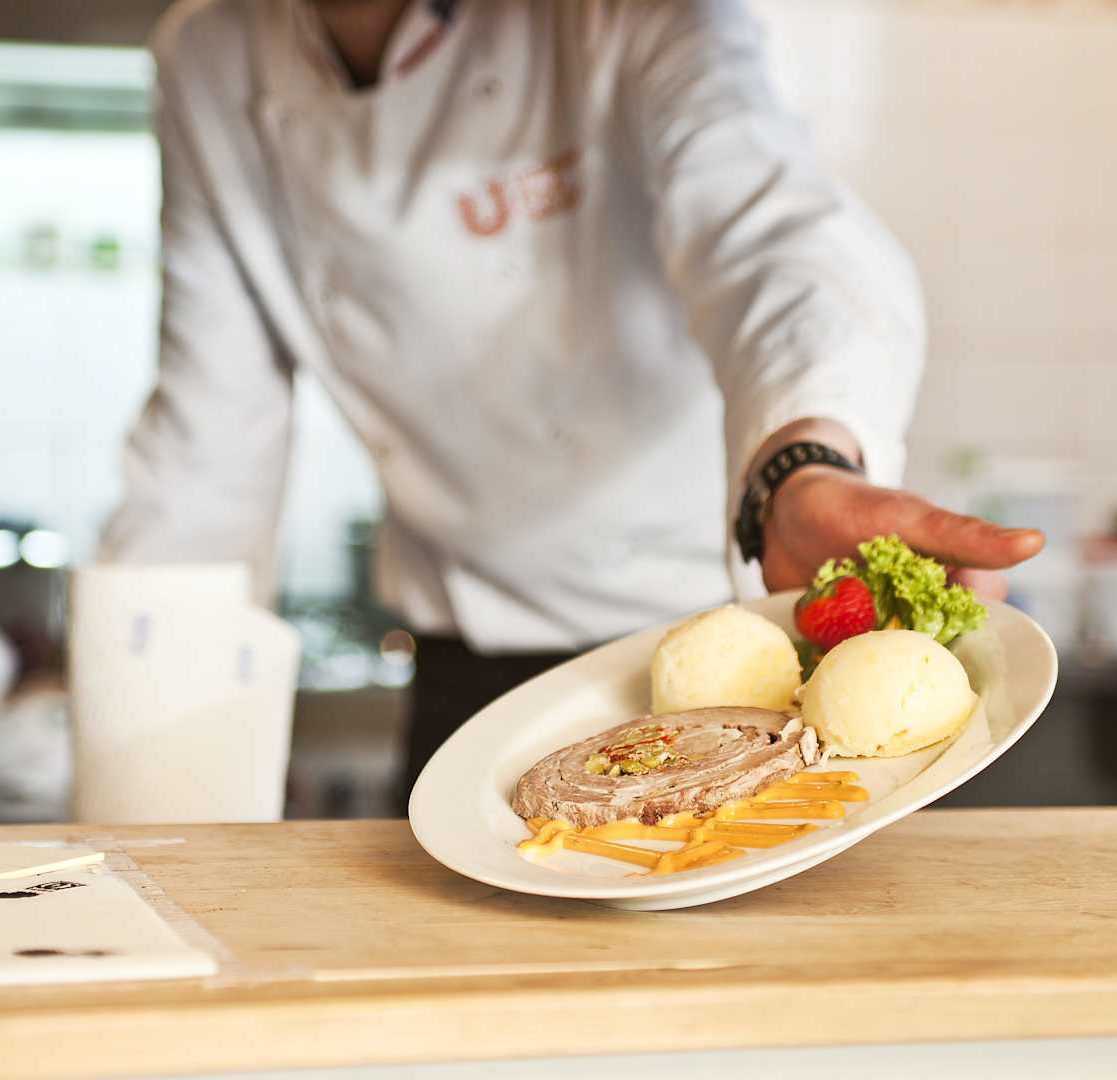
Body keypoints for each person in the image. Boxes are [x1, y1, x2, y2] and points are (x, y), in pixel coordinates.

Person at [98, 0, 1044, 801]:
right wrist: (145, 785)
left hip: (728, 654)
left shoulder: (625, 15)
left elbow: (776, 239)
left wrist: (801, 462)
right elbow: (205, 449)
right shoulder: (210, 54)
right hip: (467, 678)